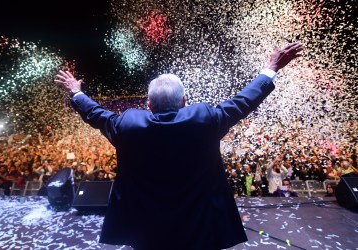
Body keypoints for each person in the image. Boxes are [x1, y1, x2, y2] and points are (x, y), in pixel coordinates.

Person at [55, 42, 303, 250]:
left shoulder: (127, 126)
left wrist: (76, 91)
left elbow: (96, 114)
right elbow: (243, 102)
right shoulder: (206, 120)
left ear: (149, 105)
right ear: (185, 101)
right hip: (200, 228)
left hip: (145, 229)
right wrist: (271, 68)